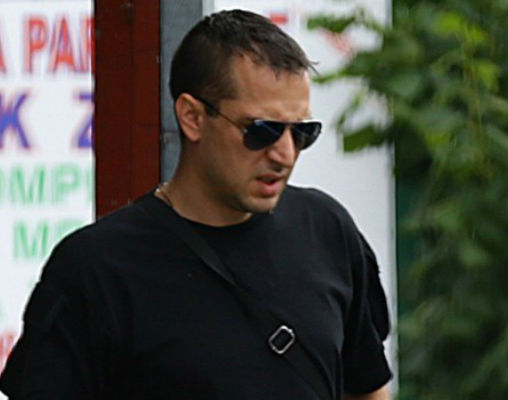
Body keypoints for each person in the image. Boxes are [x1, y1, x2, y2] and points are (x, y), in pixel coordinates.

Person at [0, 9, 391, 400]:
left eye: (303, 132)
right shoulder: (96, 267)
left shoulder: (326, 229)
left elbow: (367, 387)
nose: (285, 154)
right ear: (192, 117)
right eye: (262, 131)